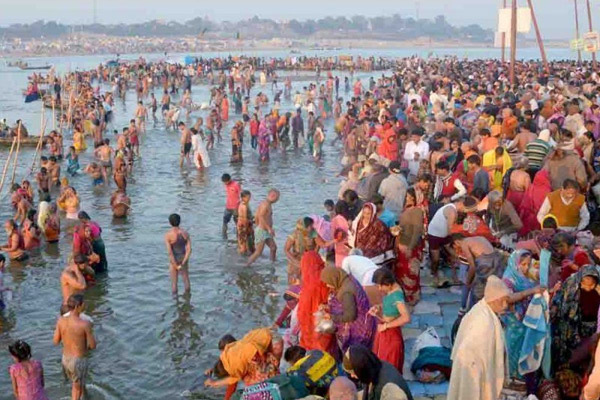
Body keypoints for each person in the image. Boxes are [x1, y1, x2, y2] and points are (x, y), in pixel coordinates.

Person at [448, 276, 511, 400]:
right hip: (473, 372)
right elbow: (478, 356)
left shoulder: (482, 309)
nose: (505, 305)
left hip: (472, 369)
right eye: (503, 301)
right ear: (494, 300)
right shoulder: (484, 323)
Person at [551, 266, 600, 374]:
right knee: (562, 352)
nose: (588, 287)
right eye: (585, 284)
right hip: (566, 324)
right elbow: (560, 302)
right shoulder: (571, 285)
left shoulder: (597, 290)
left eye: (591, 285)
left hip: (587, 330)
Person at [320, 266, 376, 352]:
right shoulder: (346, 278)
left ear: (334, 278)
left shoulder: (346, 292)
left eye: (328, 282)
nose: (327, 285)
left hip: (360, 327)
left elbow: (350, 316)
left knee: (354, 353)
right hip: (363, 315)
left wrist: (331, 317)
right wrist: (328, 307)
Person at [53, 294, 96, 400]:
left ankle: (84, 396)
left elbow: (55, 341)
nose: (85, 305)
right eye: (83, 304)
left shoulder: (61, 320)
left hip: (65, 359)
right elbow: (93, 345)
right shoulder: (85, 324)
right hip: (78, 360)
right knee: (77, 389)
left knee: (76, 384)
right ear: (77, 306)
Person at [369, 268, 411, 373]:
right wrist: (379, 307)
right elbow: (390, 305)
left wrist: (386, 326)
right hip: (386, 331)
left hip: (391, 336)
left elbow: (406, 317)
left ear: (388, 284)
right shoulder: (392, 290)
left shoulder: (397, 295)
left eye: (380, 285)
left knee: (389, 364)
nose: (379, 289)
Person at [297, 250, 335, 354]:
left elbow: (302, 311)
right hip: (324, 319)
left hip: (310, 324)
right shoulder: (325, 276)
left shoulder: (307, 281)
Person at [343, 345, 413, 400]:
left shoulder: (391, 389)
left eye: (354, 372)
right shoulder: (373, 368)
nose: (352, 376)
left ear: (362, 368)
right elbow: (369, 392)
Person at [395, 188, 425, 305]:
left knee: (410, 271)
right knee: (402, 271)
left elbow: (417, 230)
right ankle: (405, 294)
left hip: (410, 245)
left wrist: (411, 247)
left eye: (410, 197)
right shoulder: (406, 210)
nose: (407, 199)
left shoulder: (417, 211)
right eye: (407, 196)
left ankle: (412, 296)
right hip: (402, 243)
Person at [246, 189, 280, 267]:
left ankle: (272, 264)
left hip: (266, 231)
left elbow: (257, 216)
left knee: (273, 248)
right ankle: (247, 265)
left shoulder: (267, 204)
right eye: (277, 198)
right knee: (258, 252)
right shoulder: (265, 204)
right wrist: (268, 228)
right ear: (273, 196)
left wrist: (267, 228)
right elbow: (261, 216)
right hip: (262, 231)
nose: (277, 200)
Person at [518, 169, 552, 236]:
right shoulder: (547, 190)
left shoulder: (531, 187)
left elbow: (525, 203)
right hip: (541, 219)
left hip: (528, 218)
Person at [164, 213, 191, 295]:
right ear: (179, 221)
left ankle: (176, 302)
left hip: (174, 259)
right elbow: (189, 250)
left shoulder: (168, 235)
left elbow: (170, 252)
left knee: (174, 283)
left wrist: (175, 265)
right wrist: (183, 262)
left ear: (170, 222)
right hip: (183, 257)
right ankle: (187, 299)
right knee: (186, 280)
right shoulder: (185, 233)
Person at [221, 174, 241, 240]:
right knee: (224, 221)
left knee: (237, 222)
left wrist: (239, 206)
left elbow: (241, 195)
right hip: (228, 206)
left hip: (236, 207)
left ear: (229, 179)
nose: (225, 183)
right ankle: (224, 236)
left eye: (225, 182)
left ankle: (239, 236)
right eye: (224, 182)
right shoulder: (226, 185)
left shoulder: (236, 185)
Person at [236, 190, 255, 256]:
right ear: (243, 198)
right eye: (248, 197)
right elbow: (244, 219)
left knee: (249, 243)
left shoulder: (246, 204)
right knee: (243, 245)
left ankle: (247, 256)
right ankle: (243, 260)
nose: (249, 199)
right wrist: (253, 221)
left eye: (250, 197)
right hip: (243, 226)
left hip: (246, 225)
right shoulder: (243, 206)